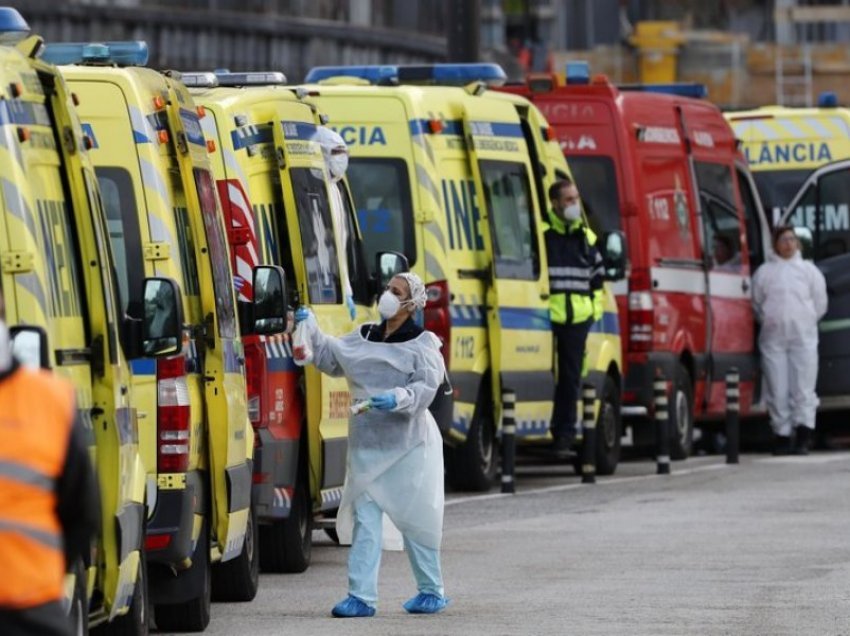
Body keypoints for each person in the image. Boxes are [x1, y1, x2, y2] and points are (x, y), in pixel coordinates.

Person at [293, 272, 448, 617]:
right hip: (366, 448)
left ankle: (431, 589)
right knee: (365, 519)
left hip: (408, 448)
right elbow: (331, 356)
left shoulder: (421, 344)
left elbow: (426, 387)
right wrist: (310, 328)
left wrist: (399, 397)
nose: (388, 295)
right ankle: (361, 596)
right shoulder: (365, 336)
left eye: (397, 291)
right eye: (388, 288)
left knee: (415, 519)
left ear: (411, 303)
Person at [0, 286, 100, 635]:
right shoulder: (49, 399)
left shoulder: (50, 399)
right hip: (31, 609)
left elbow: (82, 513)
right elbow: (83, 513)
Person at [752, 225, 828, 455]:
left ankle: (804, 434)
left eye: (792, 239)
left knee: (803, 388)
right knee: (777, 388)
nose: (788, 243)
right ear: (775, 243)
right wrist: (770, 321)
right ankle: (782, 435)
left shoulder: (809, 271)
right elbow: (756, 304)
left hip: (803, 337)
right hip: (773, 339)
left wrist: (804, 321)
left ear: (798, 243)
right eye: (783, 239)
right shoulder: (764, 273)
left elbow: (820, 303)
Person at [544, 178, 605, 457]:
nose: (574, 205)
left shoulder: (586, 238)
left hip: (578, 321)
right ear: (555, 204)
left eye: (576, 198)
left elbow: (598, 285)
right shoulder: (544, 236)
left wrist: (592, 314)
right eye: (568, 200)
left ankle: (564, 434)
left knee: (570, 377)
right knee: (545, 374)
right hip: (545, 318)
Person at [316, 126, 356, 320]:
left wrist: (346, 290)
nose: (342, 158)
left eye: (344, 152)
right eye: (336, 152)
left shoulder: (335, 188)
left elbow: (341, 247)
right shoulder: (316, 189)